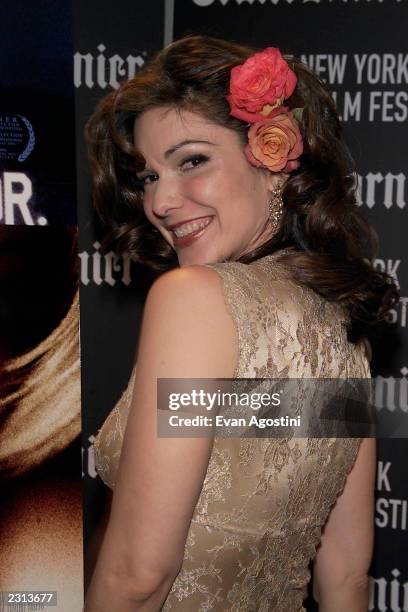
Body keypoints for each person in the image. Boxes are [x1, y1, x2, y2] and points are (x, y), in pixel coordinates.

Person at [84, 35, 398, 611]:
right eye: (149, 176)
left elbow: (137, 578)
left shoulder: (193, 300)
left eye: (192, 161)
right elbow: (348, 578)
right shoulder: (339, 328)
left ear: (273, 160)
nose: (161, 202)